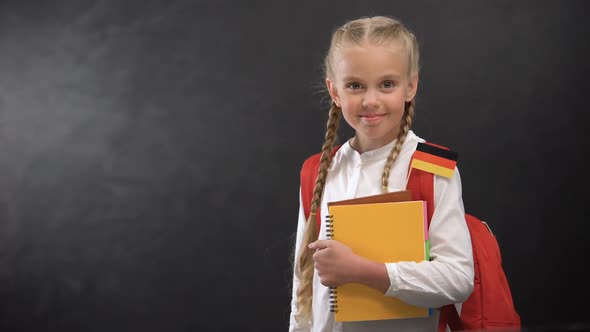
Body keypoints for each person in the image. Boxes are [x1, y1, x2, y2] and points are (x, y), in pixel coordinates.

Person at [289, 16, 474, 332]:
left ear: (410, 86)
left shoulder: (430, 169)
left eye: (387, 84)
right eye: (355, 85)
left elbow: (458, 279)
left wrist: (363, 271)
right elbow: (302, 287)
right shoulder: (317, 171)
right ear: (334, 91)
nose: (370, 100)